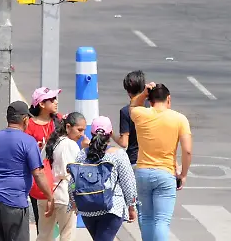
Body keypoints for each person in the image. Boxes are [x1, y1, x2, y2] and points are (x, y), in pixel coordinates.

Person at [0, 101, 54, 241]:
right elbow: (38, 173)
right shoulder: (28, 141)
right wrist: (49, 196)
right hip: (14, 202)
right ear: (25, 119)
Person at [128, 82, 191, 241]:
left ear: (150, 101)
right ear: (168, 99)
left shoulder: (141, 114)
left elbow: (133, 105)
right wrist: (183, 175)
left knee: (147, 219)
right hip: (165, 174)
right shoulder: (179, 119)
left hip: (142, 172)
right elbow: (187, 150)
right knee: (162, 220)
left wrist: (143, 93)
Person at [71, 116, 138, 241]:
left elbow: (73, 182)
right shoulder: (118, 154)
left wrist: (73, 202)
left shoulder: (82, 154)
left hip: (87, 209)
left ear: (91, 133)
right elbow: (128, 182)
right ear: (111, 134)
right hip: (112, 209)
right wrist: (131, 206)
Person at [38, 111, 86, 241]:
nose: (82, 134)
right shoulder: (71, 145)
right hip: (64, 194)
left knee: (44, 234)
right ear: (68, 127)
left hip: (46, 193)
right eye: (79, 130)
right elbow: (79, 172)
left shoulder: (49, 143)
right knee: (67, 235)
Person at [24, 87, 62, 231]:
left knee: (58, 218)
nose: (56, 102)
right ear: (41, 104)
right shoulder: (29, 125)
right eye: (51, 100)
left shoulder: (58, 121)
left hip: (57, 176)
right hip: (38, 179)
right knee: (42, 218)